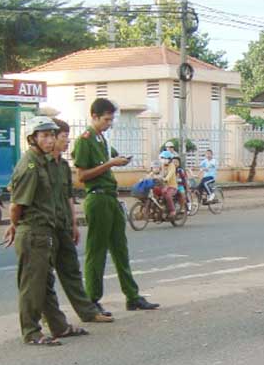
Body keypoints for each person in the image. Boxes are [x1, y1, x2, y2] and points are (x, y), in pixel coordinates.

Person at [71, 98, 159, 313]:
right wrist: (110, 163)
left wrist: (118, 160)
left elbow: (108, 161)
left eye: (111, 120)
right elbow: (81, 175)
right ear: (94, 117)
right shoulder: (85, 140)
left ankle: (132, 296)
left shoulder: (101, 139)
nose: (109, 124)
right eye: (106, 120)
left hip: (111, 197)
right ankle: (92, 299)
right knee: (97, 251)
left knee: (120, 249)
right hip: (97, 197)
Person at [3, 117, 83, 346]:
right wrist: (15, 226)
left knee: (45, 282)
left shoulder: (45, 162)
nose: (50, 140)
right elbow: (16, 205)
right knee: (32, 284)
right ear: (33, 138)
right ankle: (31, 331)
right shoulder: (30, 166)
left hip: (46, 230)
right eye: (45, 136)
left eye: (52, 135)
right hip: (33, 231)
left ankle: (59, 326)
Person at [51, 118, 114, 324]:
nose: (67, 141)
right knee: (42, 277)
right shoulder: (35, 164)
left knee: (71, 270)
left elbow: (68, 196)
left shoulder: (62, 165)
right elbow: (18, 202)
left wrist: (73, 223)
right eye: (63, 137)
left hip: (62, 224)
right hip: (45, 226)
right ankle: (42, 321)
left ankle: (88, 310)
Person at [156, 150, 178, 218]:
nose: (163, 160)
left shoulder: (172, 166)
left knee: (168, 195)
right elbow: (160, 173)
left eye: (165, 158)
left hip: (172, 186)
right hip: (163, 186)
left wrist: (166, 179)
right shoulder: (162, 165)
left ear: (169, 159)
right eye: (162, 158)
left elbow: (170, 174)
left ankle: (173, 210)